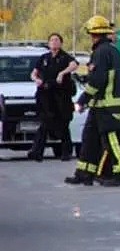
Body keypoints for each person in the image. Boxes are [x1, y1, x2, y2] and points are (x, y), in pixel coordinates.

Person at [65, 15, 120, 187]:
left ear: (95, 34)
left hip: (108, 107)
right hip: (99, 106)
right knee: (90, 140)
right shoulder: (107, 51)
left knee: (113, 141)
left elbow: (97, 81)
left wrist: (82, 100)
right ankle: (85, 172)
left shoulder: (102, 52)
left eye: (91, 34)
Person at [28, 33, 78, 161]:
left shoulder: (65, 57)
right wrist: (36, 79)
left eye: (57, 40)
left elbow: (74, 65)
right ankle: (36, 152)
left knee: (63, 126)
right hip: (46, 96)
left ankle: (66, 153)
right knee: (44, 125)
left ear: (61, 43)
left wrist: (62, 73)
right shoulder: (44, 58)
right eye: (52, 40)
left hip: (61, 96)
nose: (54, 42)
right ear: (48, 43)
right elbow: (34, 73)